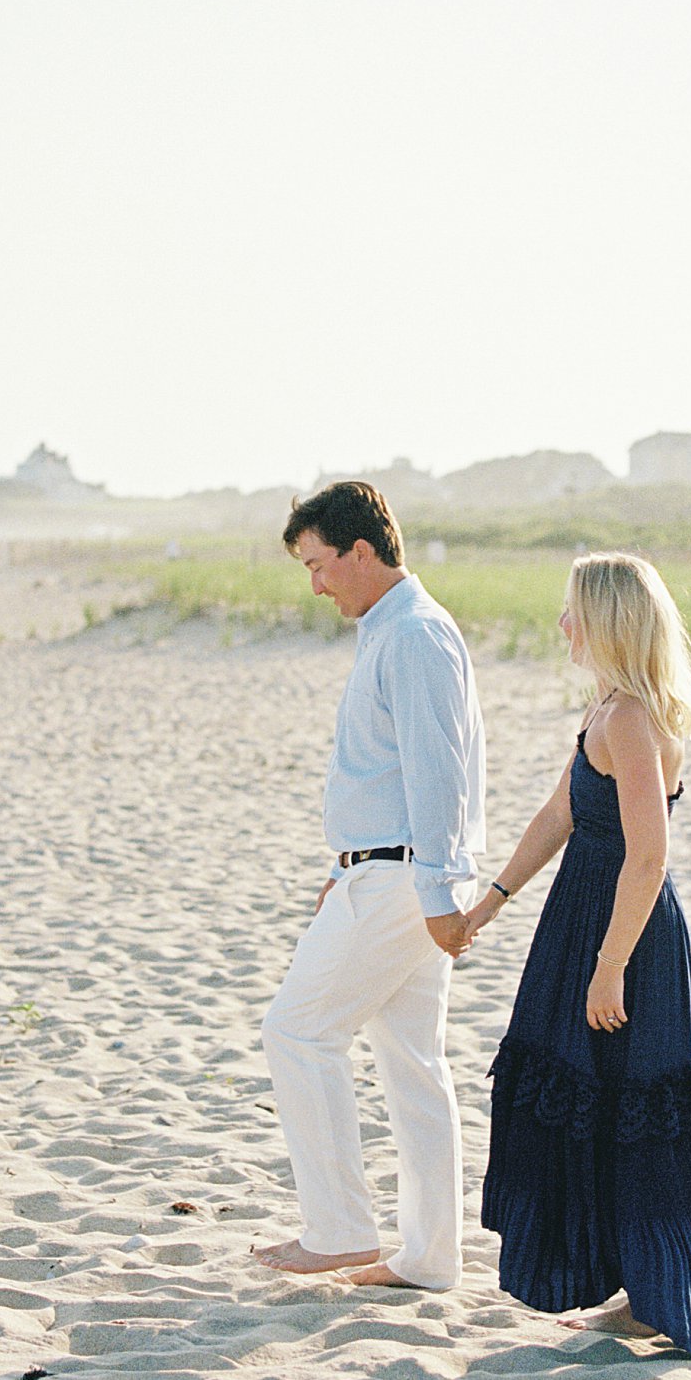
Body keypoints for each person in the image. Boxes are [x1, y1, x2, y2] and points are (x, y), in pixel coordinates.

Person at [466, 551, 691, 1363]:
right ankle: (641, 1290)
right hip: (586, 922)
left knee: (637, 1109)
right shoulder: (606, 709)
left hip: (623, 934)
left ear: (606, 619)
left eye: (572, 610)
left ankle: (667, 1290)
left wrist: (609, 965)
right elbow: (559, 810)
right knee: (592, 1100)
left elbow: (649, 856)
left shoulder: (632, 720)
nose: (561, 623)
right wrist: (491, 902)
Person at [254, 481, 485, 1290]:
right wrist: (340, 870)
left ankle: (340, 1228)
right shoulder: (394, 629)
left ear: (361, 551)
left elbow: (437, 773)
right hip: (389, 873)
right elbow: (392, 775)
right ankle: (425, 1258)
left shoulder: (414, 634)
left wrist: (433, 896)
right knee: (411, 1063)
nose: (313, 584)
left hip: (401, 880)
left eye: (319, 565)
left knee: (297, 1032)